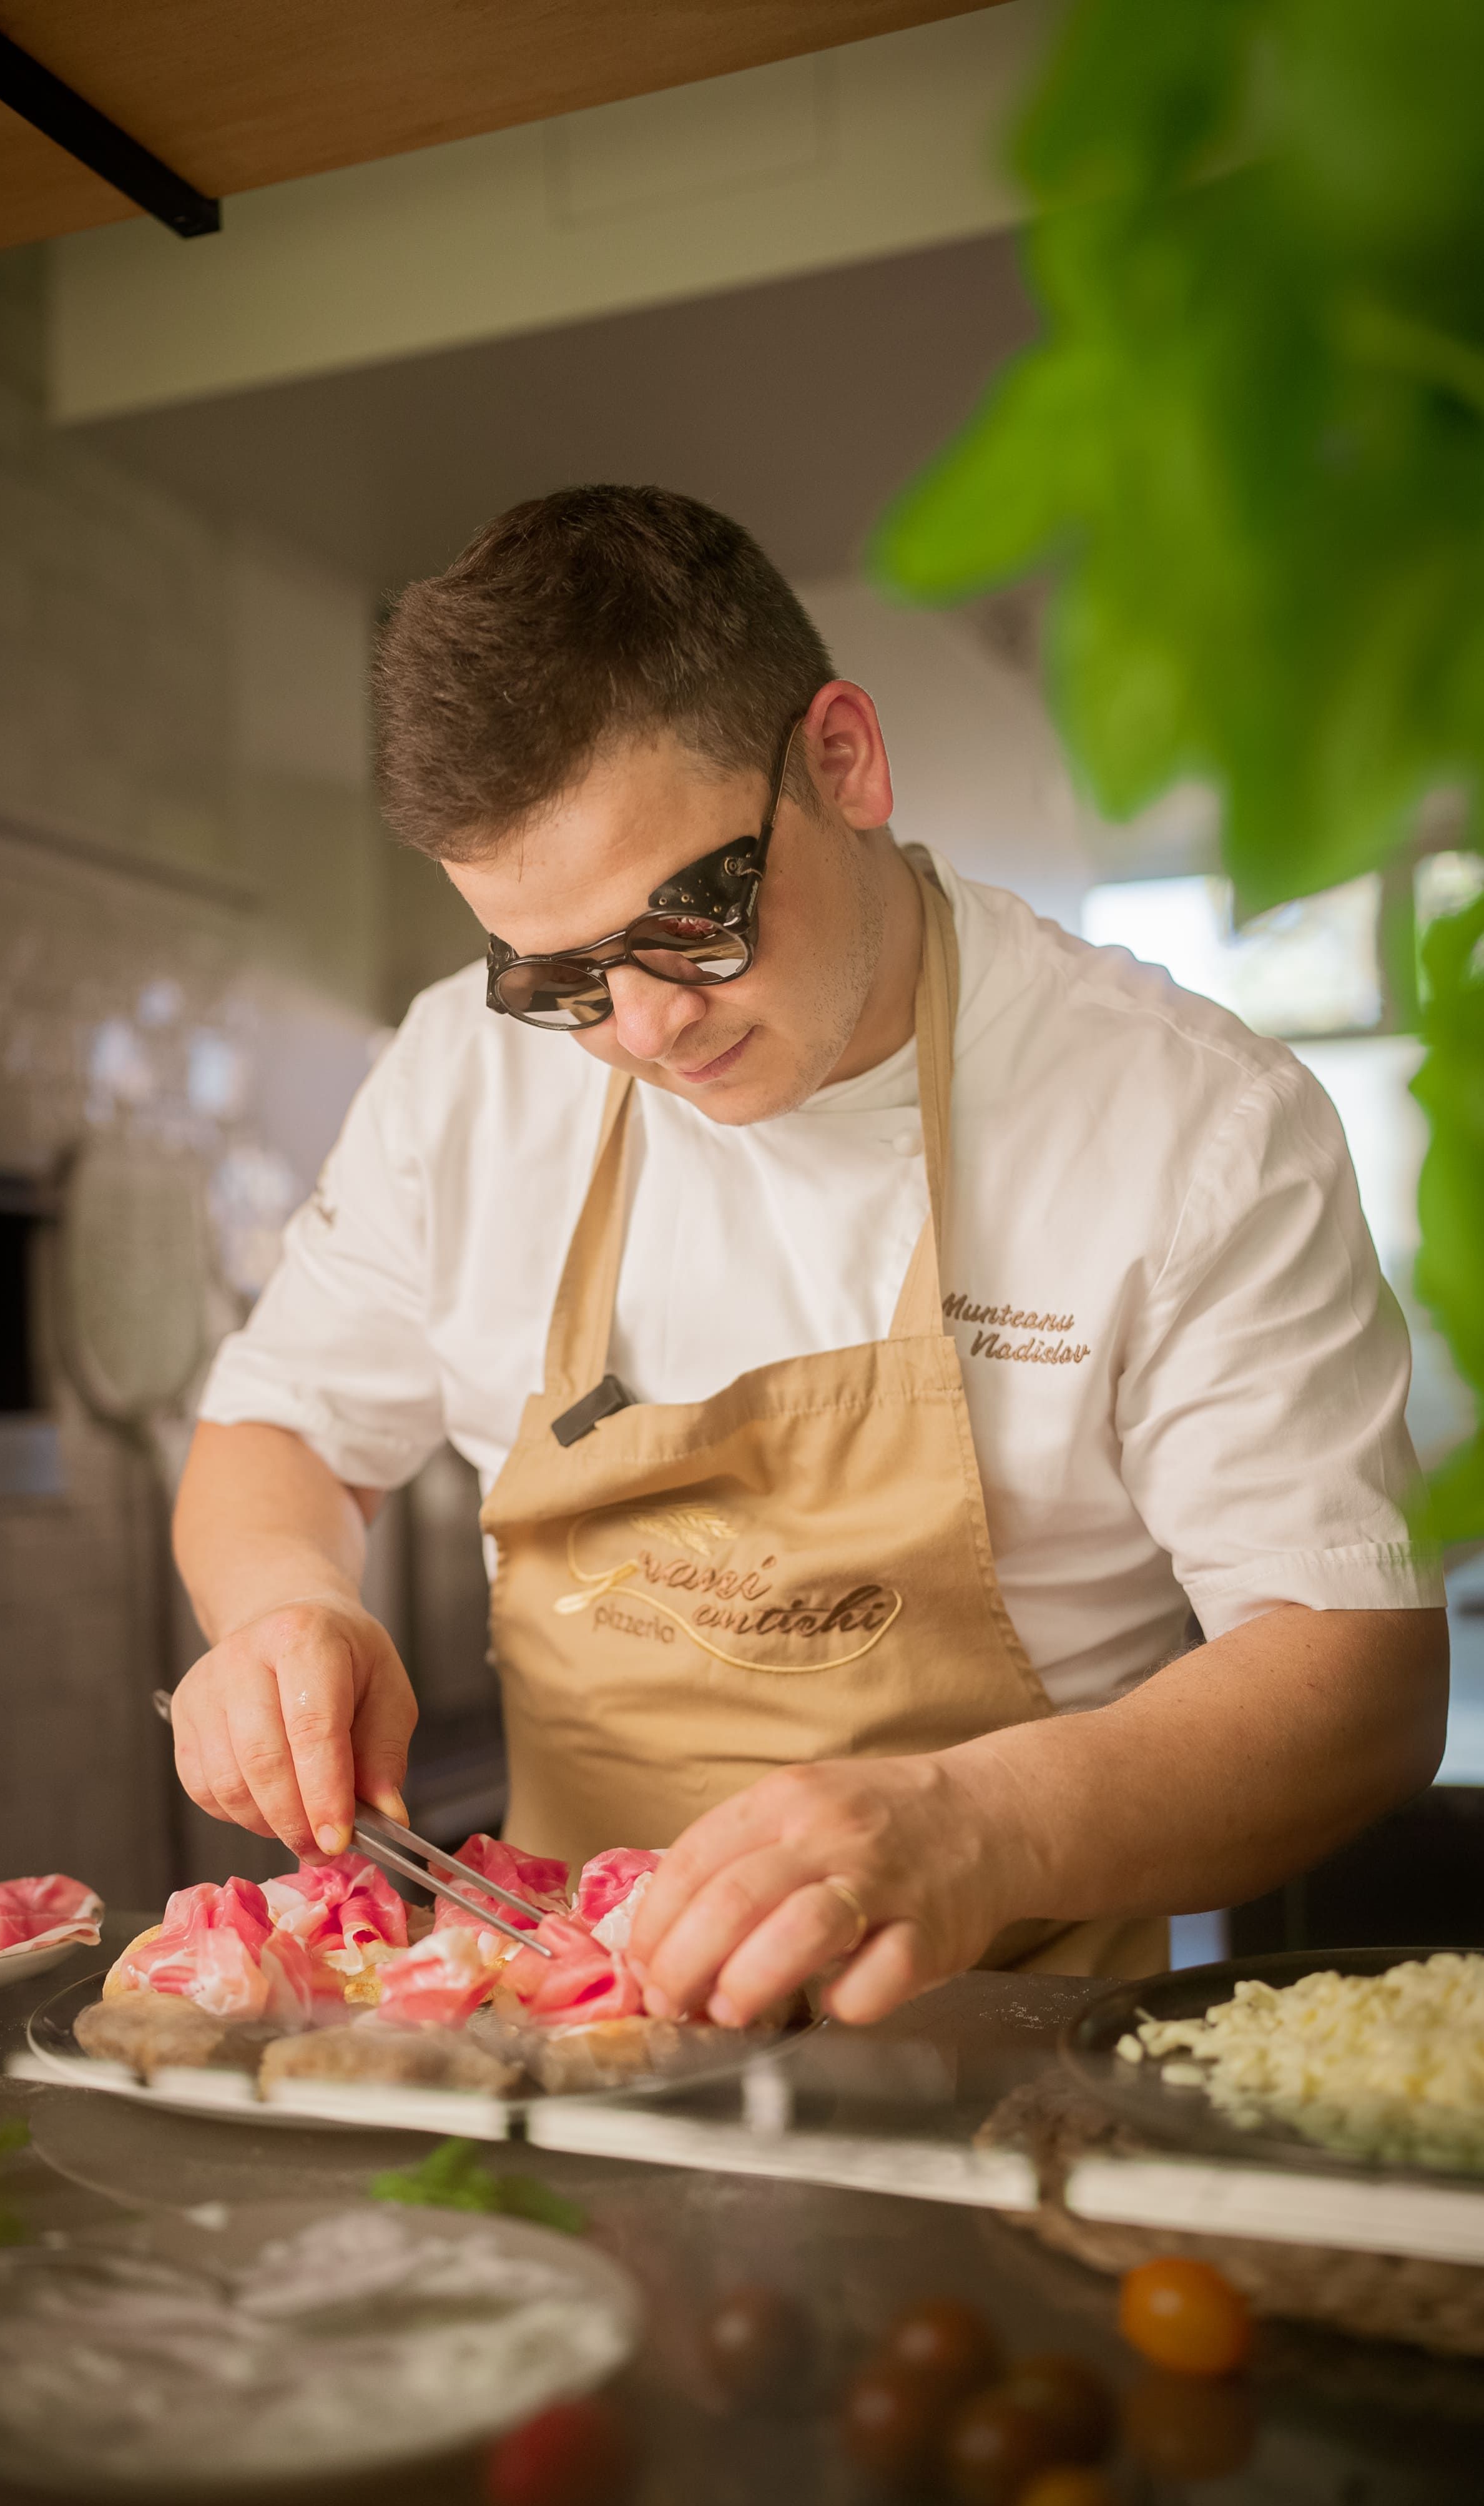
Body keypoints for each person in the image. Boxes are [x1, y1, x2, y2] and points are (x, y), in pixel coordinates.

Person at [172, 484, 1448, 2026]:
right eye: (558, 976)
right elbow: (282, 1431)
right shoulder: (461, 1074)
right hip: (577, 2044)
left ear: (842, 760)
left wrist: (982, 1823)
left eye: (693, 924)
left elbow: (1356, 1672)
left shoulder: (1192, 1120)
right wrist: (281, 1607)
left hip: (1000, 2053)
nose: (642, 1029)